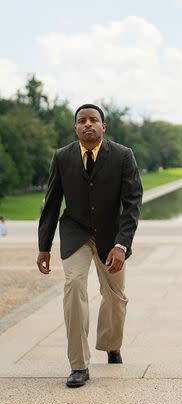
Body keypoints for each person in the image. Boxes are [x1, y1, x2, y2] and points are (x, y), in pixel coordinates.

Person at [37, 104, 143, 387]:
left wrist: (122, 245)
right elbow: (51, 204)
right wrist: (44, 247)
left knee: (115, 297)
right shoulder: (62, 157)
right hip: (75, 233)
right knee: (73, 287)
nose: (88, 124)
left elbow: (132, 204)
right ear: (75, 128)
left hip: (112, 236)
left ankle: (111, 344)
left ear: (103, 126)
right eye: (82, 121)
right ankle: (79, 365)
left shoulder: (123, 156)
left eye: (93, 120)